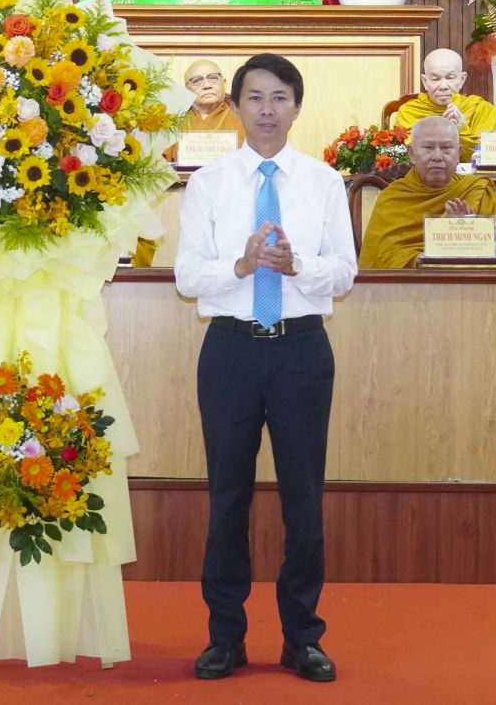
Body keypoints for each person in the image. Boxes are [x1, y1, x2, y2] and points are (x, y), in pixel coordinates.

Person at [174, 53, 356, 684]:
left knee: (303, 499)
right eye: (255, 98)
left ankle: (302, 638)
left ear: (297, 107)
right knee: (228, 497)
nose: (268, 110)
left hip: (302, 350)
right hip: (230, 350)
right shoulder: (209, 182)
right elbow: (188, 275)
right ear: (235, 106)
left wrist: (298, 264)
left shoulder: (323, 181)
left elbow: (345, 271)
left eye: (280, 97)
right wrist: (243, 266)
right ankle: (225, 637)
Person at [133, 58, 244, 267]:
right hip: (177, 205)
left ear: (224, 82)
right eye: (197, 80)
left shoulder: (243, 118)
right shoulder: (170, 121)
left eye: (213, 78)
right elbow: (155, 162)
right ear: (186, 90)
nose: (206, 84)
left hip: (231, 205)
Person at [358, 116, 496, 268]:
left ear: (459, 153)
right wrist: (420, 259)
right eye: (428, 148)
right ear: (411, 154)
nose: (437, 156)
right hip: (414, 281)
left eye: (446, 148)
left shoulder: (477, 190)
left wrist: (471, 231)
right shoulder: (392, 198)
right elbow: (379, 257)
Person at [390, 48, 496, 163]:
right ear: (425, 82)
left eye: (450, 78)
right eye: (435, 79)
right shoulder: (409, 111)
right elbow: (408, 157)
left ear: (462, 79)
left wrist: (462, 129)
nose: (443, 86)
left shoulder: (482, 109)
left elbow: (488, 158)